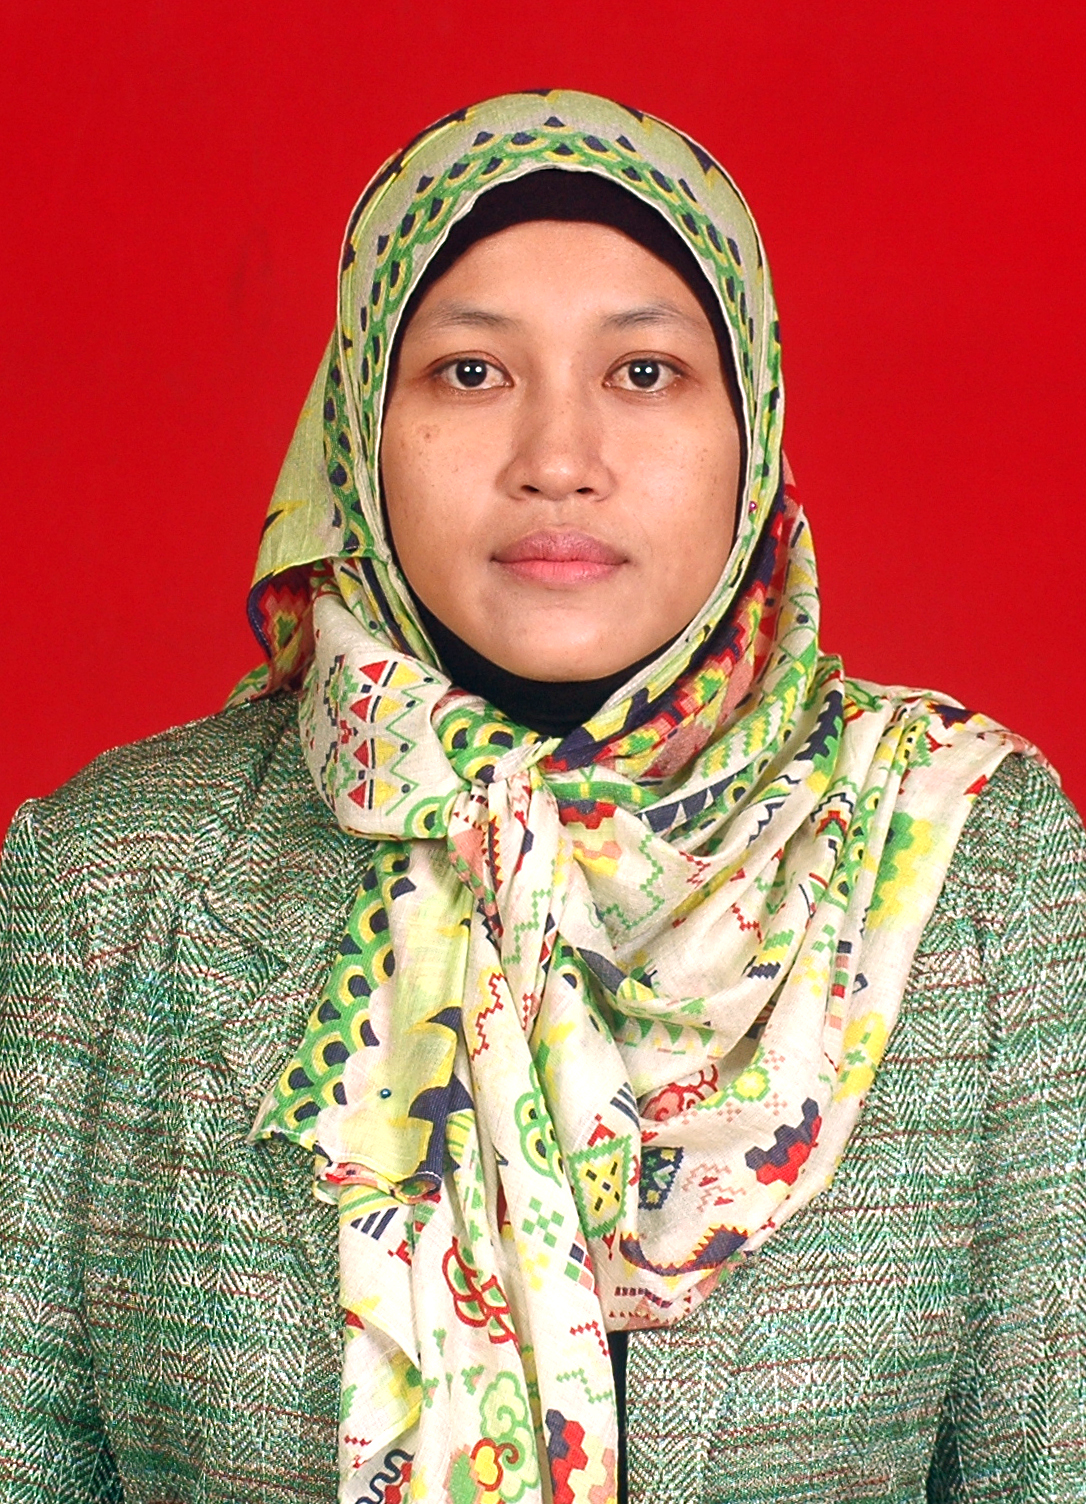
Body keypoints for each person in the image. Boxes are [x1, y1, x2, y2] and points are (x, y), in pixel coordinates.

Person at [1, 88, 1083, 1504]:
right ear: (360, 428)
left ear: (751, 426)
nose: (558, 460)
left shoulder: (964, 853)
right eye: (469, 373)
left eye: (644, 372)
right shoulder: (111, 881)